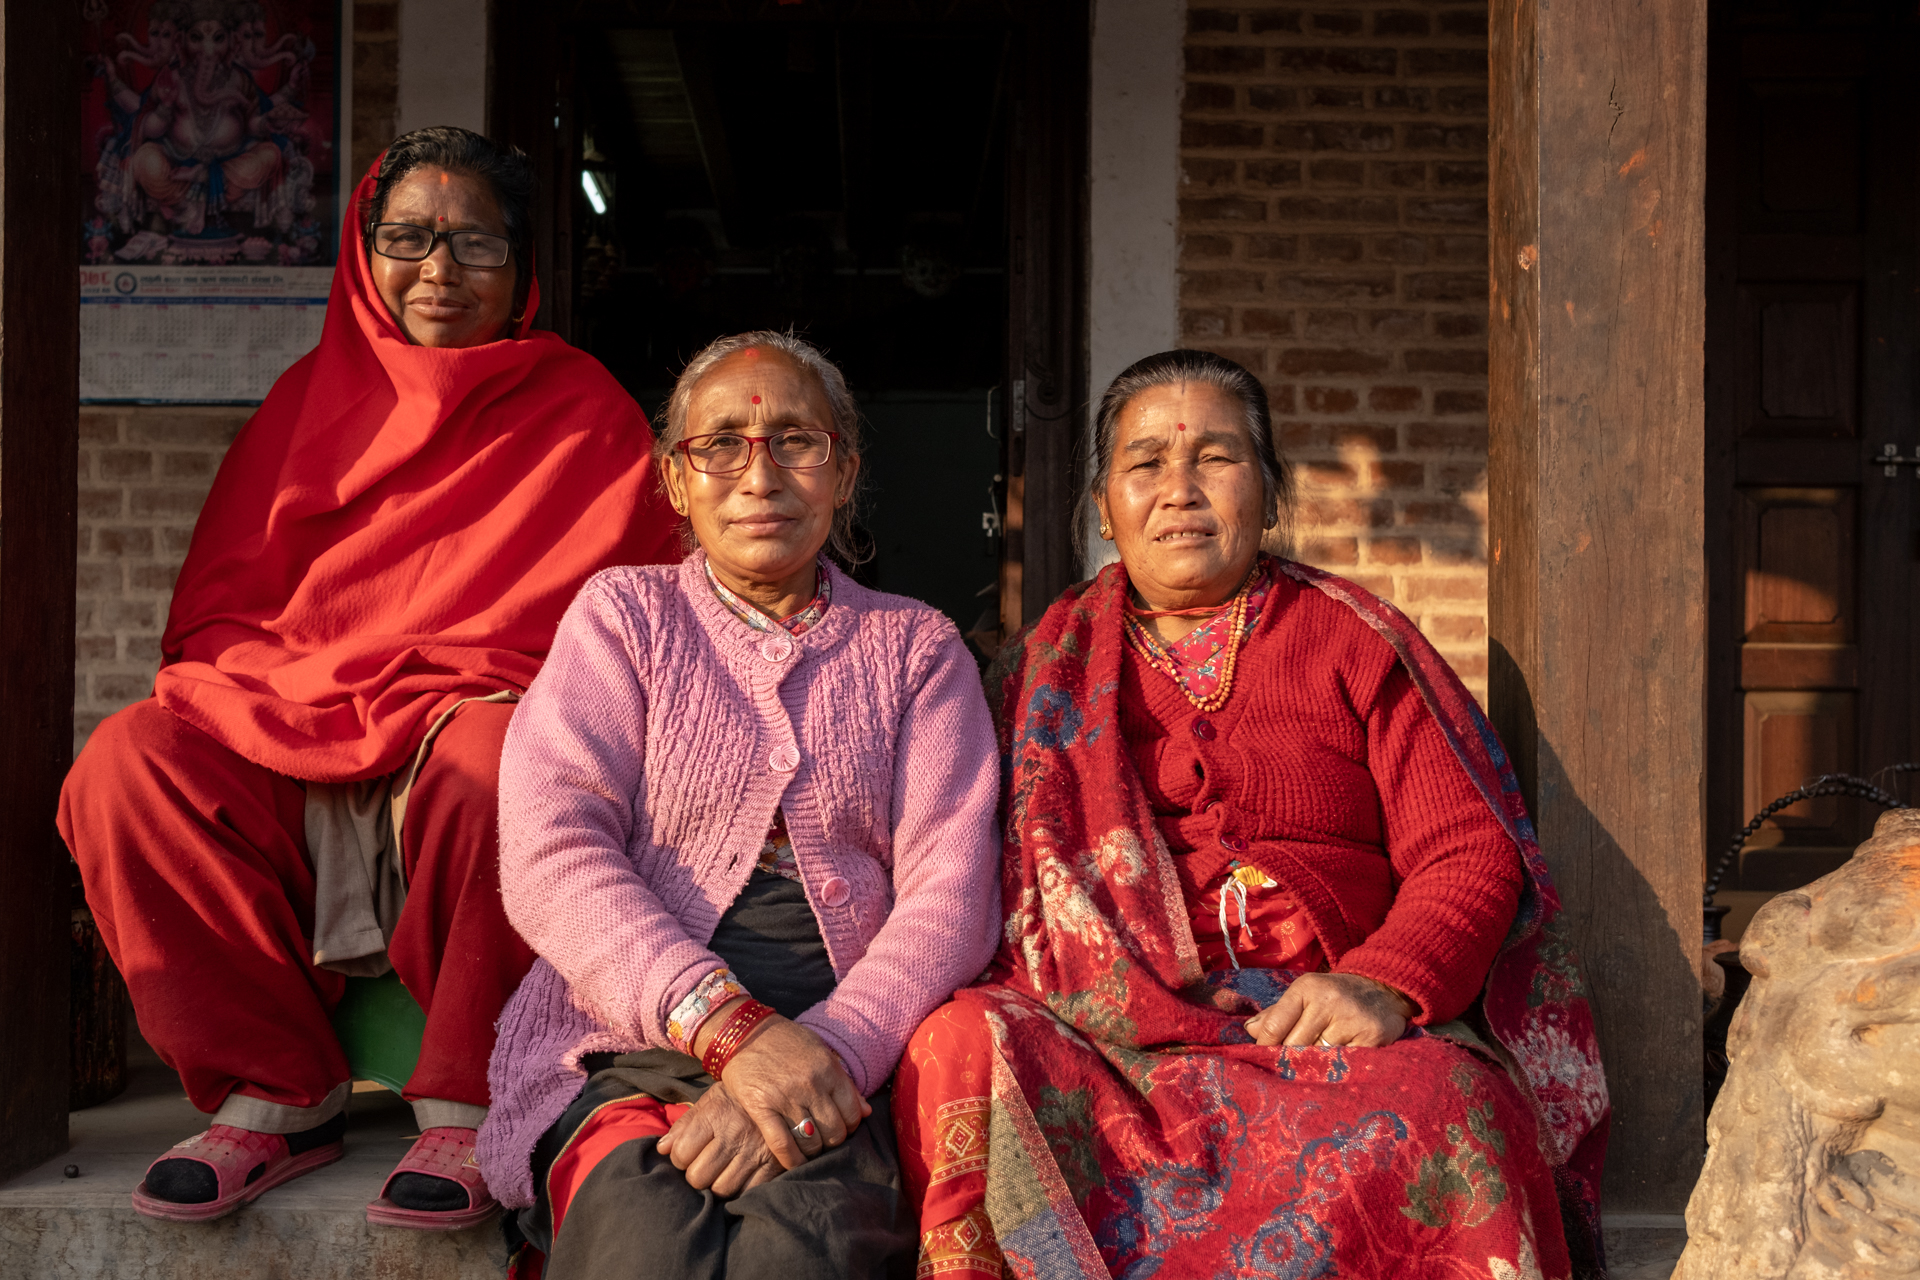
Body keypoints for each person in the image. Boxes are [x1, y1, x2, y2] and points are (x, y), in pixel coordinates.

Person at [59, 127, 680, 1228]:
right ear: (363, 252)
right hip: (289, 714)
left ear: (524, 266)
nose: (439, 269)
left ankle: (474, 1097)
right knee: (126, 764)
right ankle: (279, 1090)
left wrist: (445, 698)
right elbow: (216, 620)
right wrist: (292, 699)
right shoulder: (306, 400)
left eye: (475, 243)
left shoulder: (587, 413)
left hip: (470, 727)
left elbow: (639, 639)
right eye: (408, 237)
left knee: (503, 759)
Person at [893, 349, 1612, 1278]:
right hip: (1105, 1031)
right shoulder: (1040, 674)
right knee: (959, 1044)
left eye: (1218, 458)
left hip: (1322, 1023)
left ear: (1270, 495)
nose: (1180, 490)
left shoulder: (1354, 640)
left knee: (1449, 1101)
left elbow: (1468, 852)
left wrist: (1386, 984)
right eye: (1145, 463)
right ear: (1104, 508)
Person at [476, 330, 1002, 1280]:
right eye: (720, 444)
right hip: (625, 1041)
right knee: (636, 1237)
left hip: (846, 1053)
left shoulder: (917, 649)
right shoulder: (622, 620)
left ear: (843, 474)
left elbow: (951, 899)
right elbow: (553, 852)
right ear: (677, 483)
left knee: (808, 1251)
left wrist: (825, 1055)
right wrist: (730, 1032)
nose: (758, 475)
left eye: (796, 441)